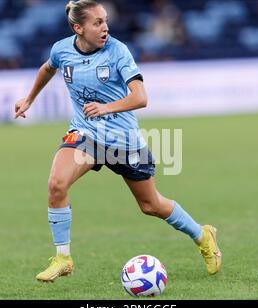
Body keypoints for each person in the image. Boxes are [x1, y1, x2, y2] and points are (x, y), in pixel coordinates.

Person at [14, 0, 221, 283]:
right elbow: (48, 69)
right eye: (97, 22)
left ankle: (202, 235)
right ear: (78, 28)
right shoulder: (62, 50)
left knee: (151, 205)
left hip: (124, 141)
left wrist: (106, 107)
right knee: (56, 184)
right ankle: (63, 258)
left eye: (106, 20)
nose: (105, 27)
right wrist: (29, 98)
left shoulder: (117, 51)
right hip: (86, 135)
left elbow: (141, 97)